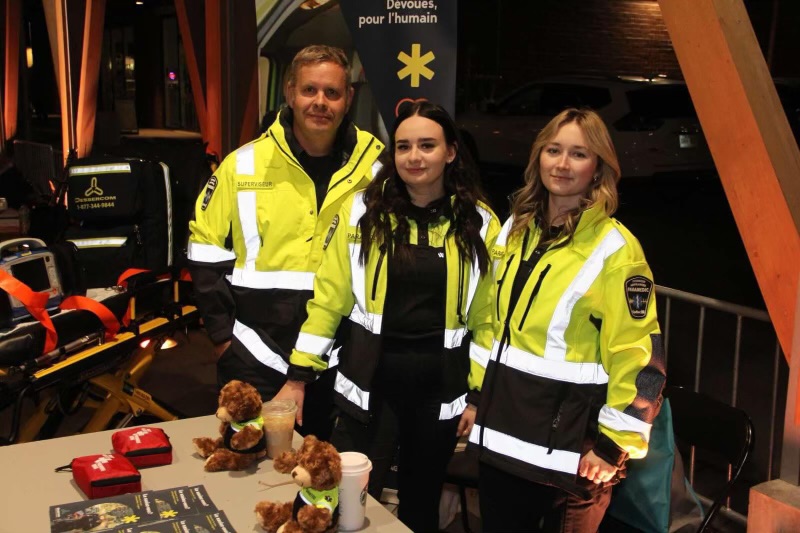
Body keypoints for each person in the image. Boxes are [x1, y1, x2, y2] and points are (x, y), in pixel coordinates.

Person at [275, 101, 501, 532]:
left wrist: (477, 396)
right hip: (368, 389)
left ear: (451, 152)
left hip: (440, 395)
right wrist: (298, 377)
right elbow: (329, 300)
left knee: (420, 508)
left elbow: (487, 320)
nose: (414, 156)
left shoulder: (480, 223)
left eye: (427, 145)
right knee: (344, 503)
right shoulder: (361, 212)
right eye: (403, 146)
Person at [471, 108, 667, 532]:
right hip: (501, 441)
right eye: (553, 150)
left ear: (598, 168)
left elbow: (640, 358)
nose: (562, 164)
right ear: (537, 157)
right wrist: (474, 395)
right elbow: (489, 324)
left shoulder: (617, 249)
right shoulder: (514, 230)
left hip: (573, 459)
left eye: (578, 154)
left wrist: (614, 447)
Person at [187, 45, 385, 441]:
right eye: (310, 90)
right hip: (253, 352)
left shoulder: (376, 173)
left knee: (323, 468)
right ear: (290, 92)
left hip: (339, 354)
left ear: (348, 99)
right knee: (245, 460)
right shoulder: (242, 165)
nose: (320, 102)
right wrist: (223, 340)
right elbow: (205, 252)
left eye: (332, 92)